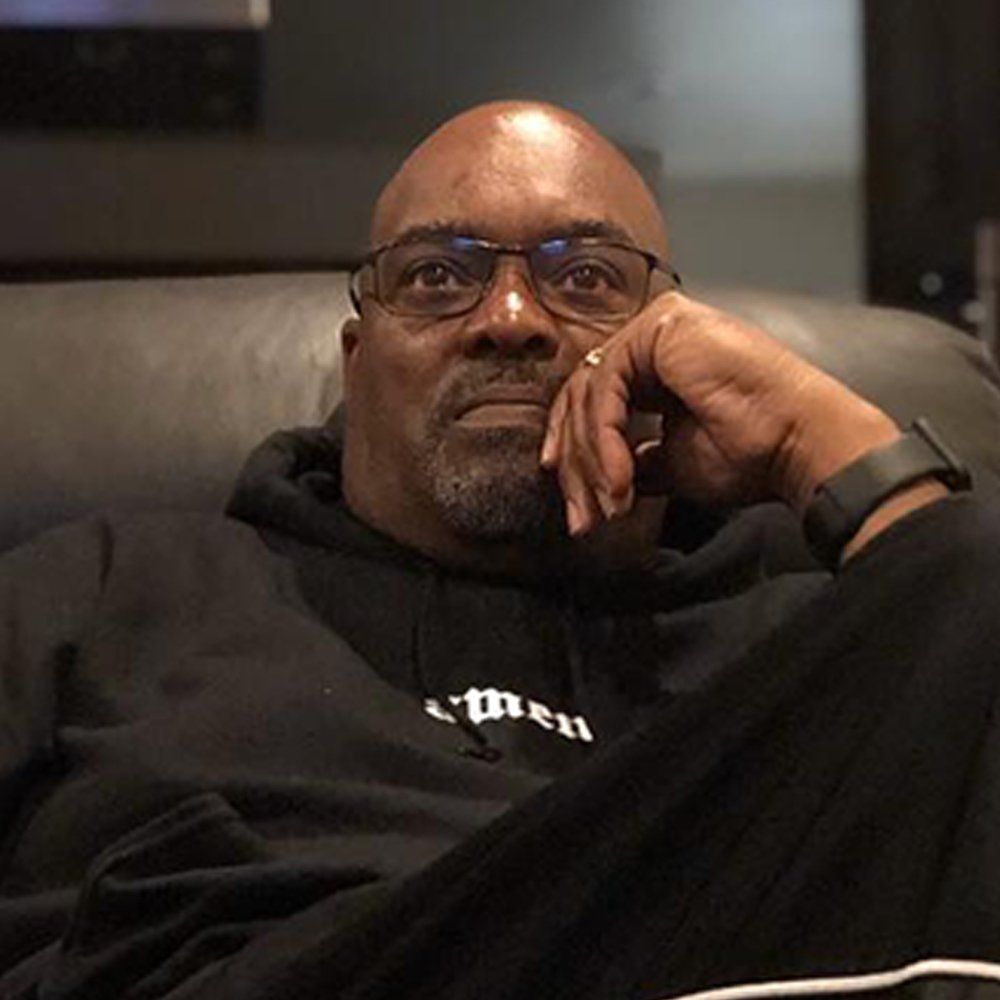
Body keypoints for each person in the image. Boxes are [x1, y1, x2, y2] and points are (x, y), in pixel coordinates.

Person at [2, 100, 999, 1000]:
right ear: (357, 361)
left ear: (674, 344)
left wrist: (819, 446)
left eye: (585, 277)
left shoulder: (805, 635)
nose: (510, 321)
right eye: (438, 275)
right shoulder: (109, 585)